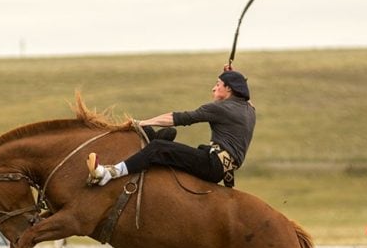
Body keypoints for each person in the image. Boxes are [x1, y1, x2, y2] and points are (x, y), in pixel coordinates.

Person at [87, 67, 256, 188]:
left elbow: (179, 118)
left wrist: (143, 122)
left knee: (158, 147)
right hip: (222, 168)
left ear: (229, 88)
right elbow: (244, 96)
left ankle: (109, 173)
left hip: (213, 164)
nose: (213, 88)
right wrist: (232, 76)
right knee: (165, 136)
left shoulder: (219, 109)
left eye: (218, 84)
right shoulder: (250, 110)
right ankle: (154, 143)